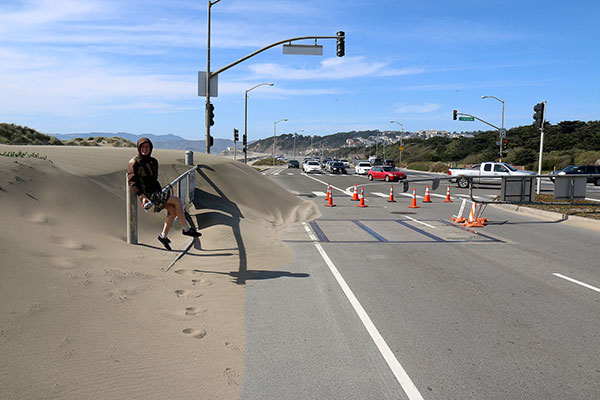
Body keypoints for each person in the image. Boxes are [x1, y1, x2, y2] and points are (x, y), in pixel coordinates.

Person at [127, 137, 201, 250]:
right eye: (142, 147)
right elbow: (132, 182)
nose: (145, 149)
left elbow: (154, 179)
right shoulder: (134, 162)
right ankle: (186, 229)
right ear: (138, 148)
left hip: (156, 192)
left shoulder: (153, 161)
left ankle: (163, 236)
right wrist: (142, 196)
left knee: (172, 211)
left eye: (147, 147)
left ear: (150, 148)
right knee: (178, 201)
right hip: (148, 195)